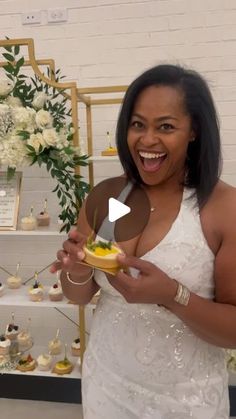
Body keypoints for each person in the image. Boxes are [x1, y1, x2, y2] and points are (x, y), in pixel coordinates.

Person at [50, 64, 236, 419]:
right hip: (106, 383)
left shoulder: (224, 208)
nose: (147, 140)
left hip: (185, 401)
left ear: (194, 130)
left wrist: (172, 296)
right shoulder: (108, 196)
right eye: (138, 125)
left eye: (165, 126)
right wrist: (75, 269)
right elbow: (81, 295)